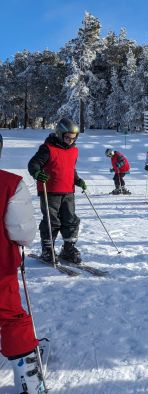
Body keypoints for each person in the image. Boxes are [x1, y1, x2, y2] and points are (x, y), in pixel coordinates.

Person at [1, 134, 46, 394]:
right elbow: (22, 231)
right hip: (1, 266)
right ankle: (27, 379)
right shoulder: (10, 183)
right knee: (10, 315)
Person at [28, 118, 87, 264]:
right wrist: (36, 173)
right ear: (60, 134)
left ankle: (68, 248)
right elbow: (33, 163)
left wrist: (77, 180)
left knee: (70, 220)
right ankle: (48, 249)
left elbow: (70, 169)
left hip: (68, 191)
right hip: (50, 191)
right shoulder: (47, 148)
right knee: (51, 221)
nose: (70, 141)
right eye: (67, 137)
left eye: (73, 138)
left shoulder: (74, 150)